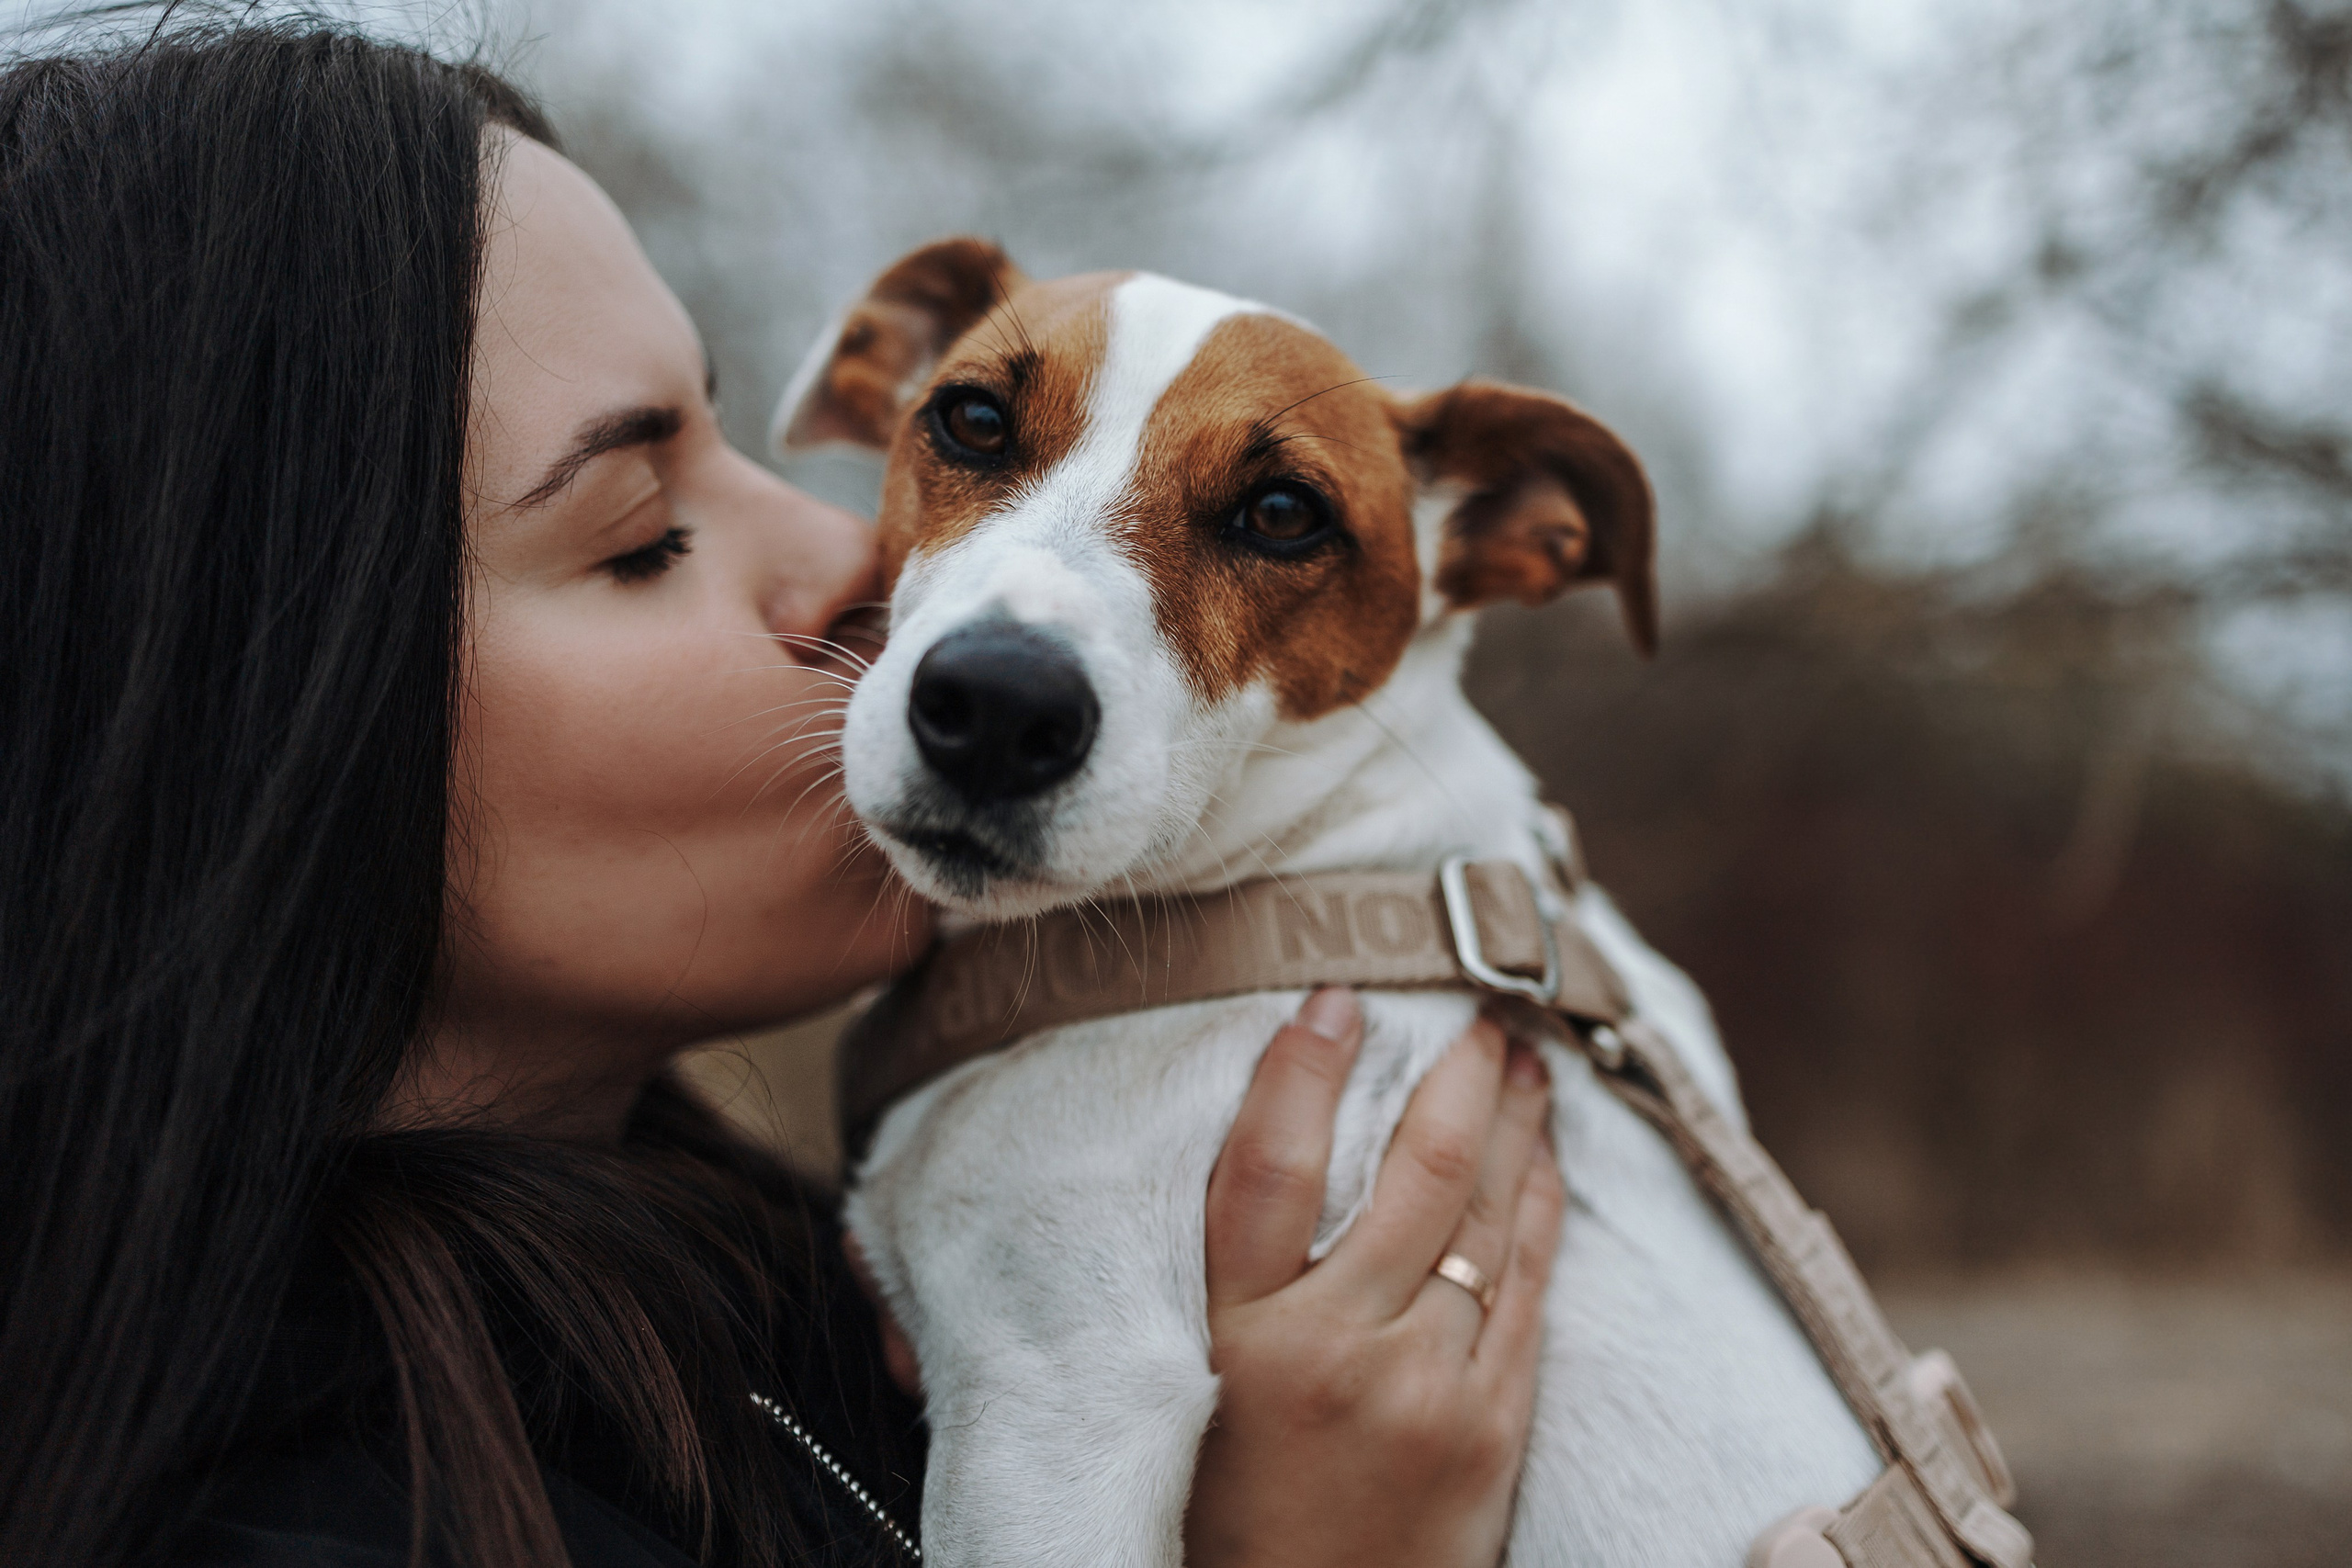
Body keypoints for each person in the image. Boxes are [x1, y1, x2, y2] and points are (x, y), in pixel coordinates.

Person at [0, 17, 1565, 1568]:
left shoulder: (808, 1309)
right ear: (258, 706)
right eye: (638, 532)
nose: (862, 569)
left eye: (751, 437)